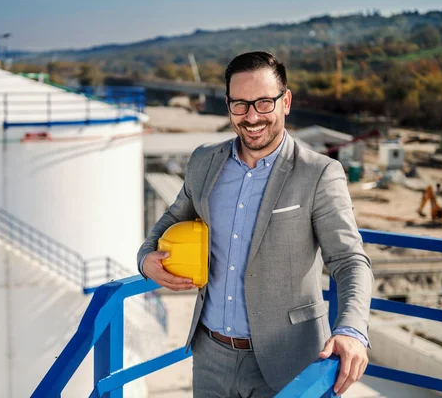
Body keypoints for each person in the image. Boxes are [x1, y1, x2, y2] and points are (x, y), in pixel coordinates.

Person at [137, 51, 373, 397]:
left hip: (288, 359)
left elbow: (349, 260)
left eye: (264, 103)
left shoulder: (319, 173)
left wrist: (352, 330)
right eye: (240, 104)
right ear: (228, 105)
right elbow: (174, 215)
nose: (251, 117)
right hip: (210, 356)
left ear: (286, 101)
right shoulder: (205, 161)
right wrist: (145, 258)